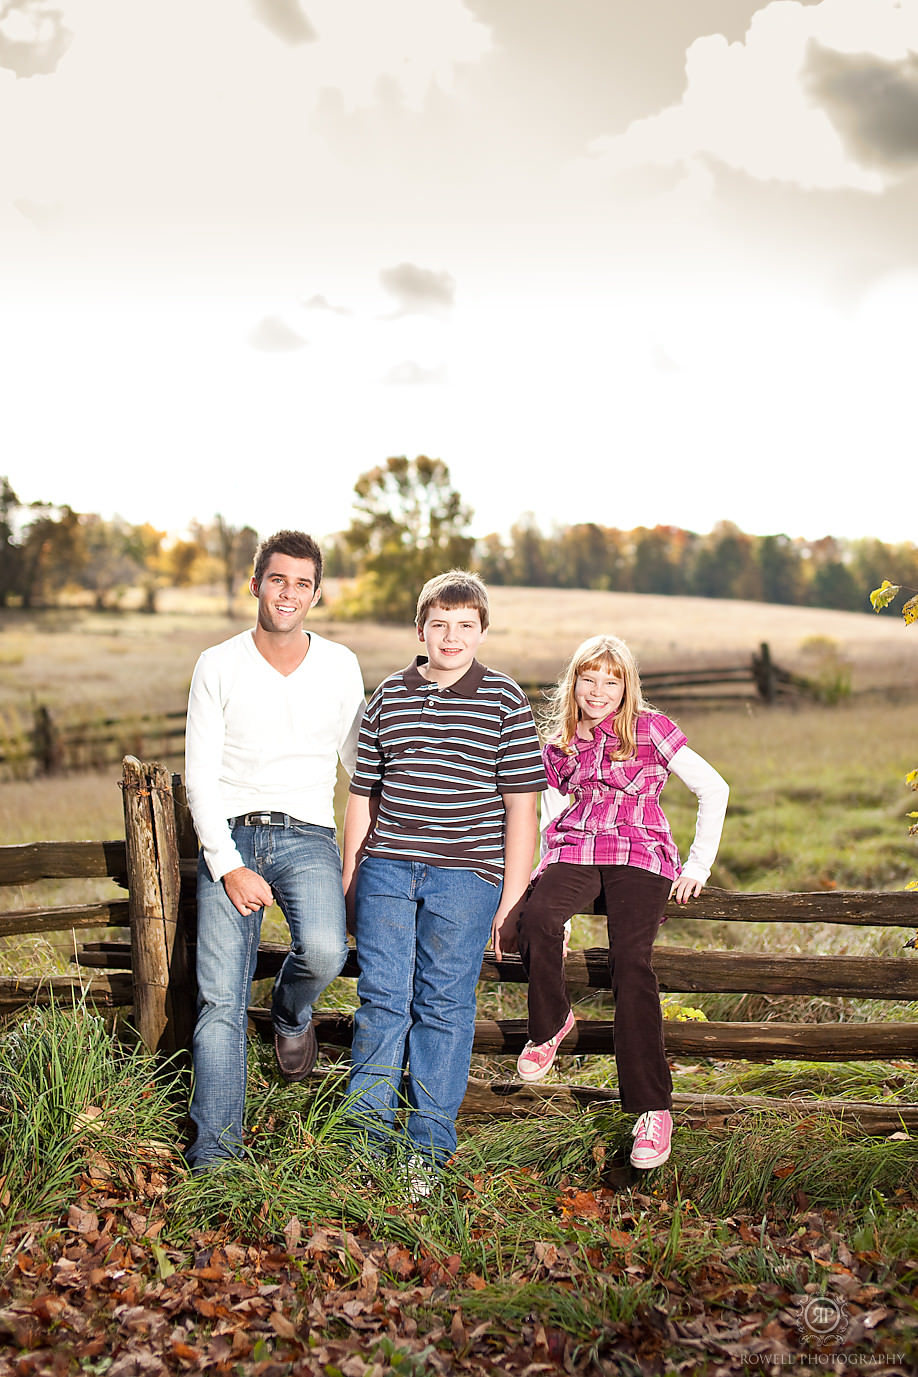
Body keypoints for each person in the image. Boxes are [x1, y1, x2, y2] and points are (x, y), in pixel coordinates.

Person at [342, 569, 547, 1193]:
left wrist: (511, 896)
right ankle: (365, 1138)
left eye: (465, 625)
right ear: (421, 629)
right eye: (439, 625)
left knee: (443, 1003)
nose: (451, 637)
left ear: (482, 630)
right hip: (387, 869)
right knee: (382, 997)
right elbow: (361, 796)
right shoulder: (388, 696)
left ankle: (427, 1146)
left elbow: (522, 809)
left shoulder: (505, 700)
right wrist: (352, 874)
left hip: (466, 876)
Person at [494, 634, 728, 1171]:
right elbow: (547, 812)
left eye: (611, 680)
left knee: (631, 961)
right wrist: (531, 884)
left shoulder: (650, 729)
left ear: (627, 687)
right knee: (538, 919)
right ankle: (551, 1023)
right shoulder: (559, 744)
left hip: (640, 853)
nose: (598, 690)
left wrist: (697, 867)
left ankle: (651, 1109)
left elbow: (714, 789)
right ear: (574, 682)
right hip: (576, 849)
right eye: (589, 678)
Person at [184, 529, 365, 1170]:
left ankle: (290, 1012)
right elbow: (199, 777)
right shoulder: (218, 664)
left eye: (302, 583)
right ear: (255, 582)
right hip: (230, 834)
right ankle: (215, 1157)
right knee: (219, 1000)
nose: (288, 593)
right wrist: (228, 865)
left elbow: (359, 766)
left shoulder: (341, 666)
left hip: (308, 832)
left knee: (324, 950)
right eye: (277, 579)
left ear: (317, 594)